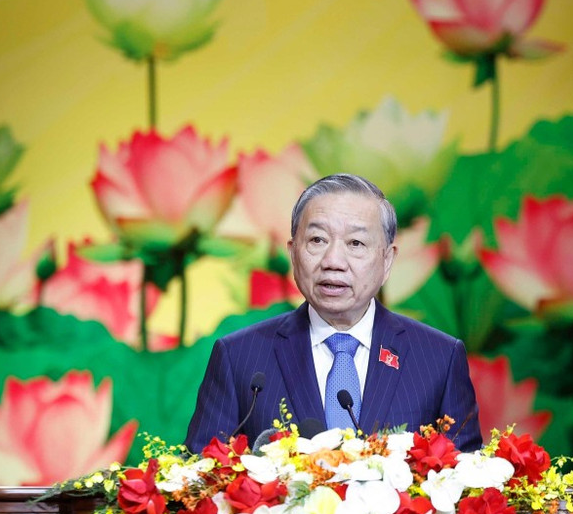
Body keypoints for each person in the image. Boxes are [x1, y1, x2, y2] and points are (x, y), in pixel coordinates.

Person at [184, 174, 482, 452]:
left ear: (388, 259)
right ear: (292, 252)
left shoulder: (438, 358)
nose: (333, 260)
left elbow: (468, 488)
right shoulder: (239, 357)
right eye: (317, 240)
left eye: (355, 243)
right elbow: (202, 482)